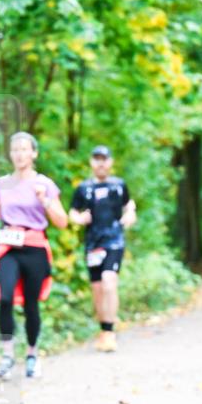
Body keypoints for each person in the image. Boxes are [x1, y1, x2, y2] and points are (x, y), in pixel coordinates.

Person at [0, 132, 67, 380]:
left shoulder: (44, 184)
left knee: (31, 304)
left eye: (24, 149)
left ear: (34, 153)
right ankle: (7, 355)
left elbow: (62, 222)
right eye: (15, 150)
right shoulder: (2, 184)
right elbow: (5, 214)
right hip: (9, 247)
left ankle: (31, 355)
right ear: (10, 154)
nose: (20, 154)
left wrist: (45, 201)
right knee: (5, 298)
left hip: (35, 247)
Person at [69, 145, 136, 353]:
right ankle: (103, 330)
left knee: (109, 280)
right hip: (93, 243)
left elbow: (129, 204)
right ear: (91, 162)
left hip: (114, 240)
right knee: (97, 288)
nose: (100, 163)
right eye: (97, 159)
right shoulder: (84, 188)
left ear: (110, 162)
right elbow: (73, 211)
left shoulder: (118, 185)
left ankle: (110, 331)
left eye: (104, 159)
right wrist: (79, 218)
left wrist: (130, 214)